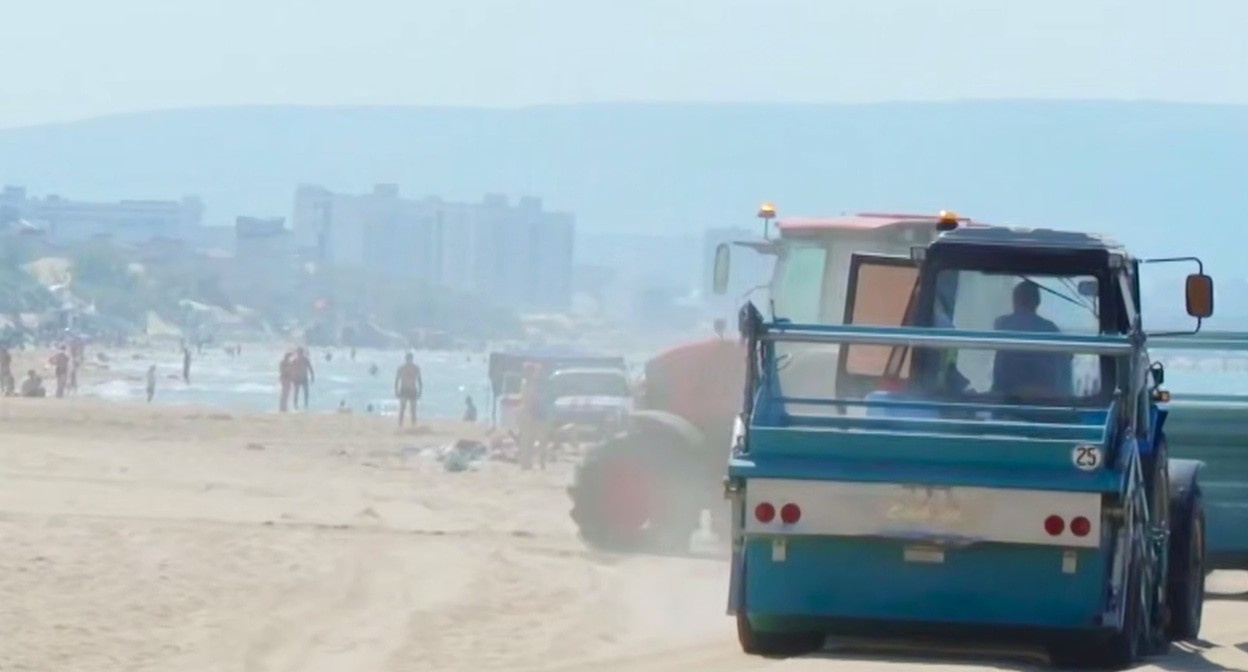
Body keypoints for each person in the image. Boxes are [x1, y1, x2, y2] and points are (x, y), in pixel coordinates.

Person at [991, 280, 1072, 398]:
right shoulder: (1051, 329)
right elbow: (1064, 368)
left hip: (1006, 397)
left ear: (1016, 301)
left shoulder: (1003, 323)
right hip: (1044, 401)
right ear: (1037, 303)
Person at [395, 353, 423, 427]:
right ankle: (400, 425)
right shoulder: (401, 368)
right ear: (406, 359)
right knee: (402, 409)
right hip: (404, 390)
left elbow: (419, 380)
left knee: (413, 410)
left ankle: (413, 425)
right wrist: (396, 391)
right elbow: (397, 380)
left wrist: (420, 390)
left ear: (412, 359)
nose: (409, 360)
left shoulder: (416, 368)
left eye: (410, 359)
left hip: (412, 390)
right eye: (408, 359)